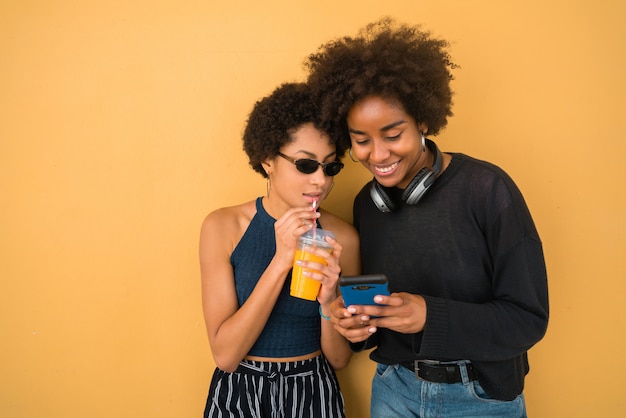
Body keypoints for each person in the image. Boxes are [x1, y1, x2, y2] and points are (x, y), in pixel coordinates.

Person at [305, 18, 549, 417]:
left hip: (480, 399)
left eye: (393, 134)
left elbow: (527, 320)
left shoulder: (487, 189)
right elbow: (375, 316)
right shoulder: (369, 205)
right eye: (361, 141)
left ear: (422, 120)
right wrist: (354, 328)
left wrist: (428, 316)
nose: (377, 155)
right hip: (393, 391)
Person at [199, 82, 360, 418]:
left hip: (313, 389)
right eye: (305, 165)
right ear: (268, 160)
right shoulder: (223, 227)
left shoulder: (343, 236)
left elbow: (340, 359)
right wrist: (281, 260)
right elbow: (226, 356)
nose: (321, 181)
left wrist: (329, 301)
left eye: (330, 167)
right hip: (240, 390)